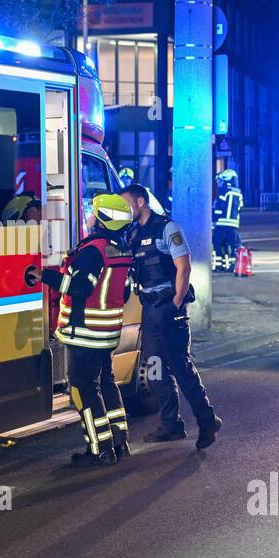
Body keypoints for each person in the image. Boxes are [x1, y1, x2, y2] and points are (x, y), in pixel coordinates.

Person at [121, 184, 222, 450]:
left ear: (141, 202)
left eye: (126, 204)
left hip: (168, 308)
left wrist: (176, 302)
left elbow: (184, 266)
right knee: (154, 367)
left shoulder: (167, 228)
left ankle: (207, 420)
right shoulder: (134, 233)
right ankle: (171, 425)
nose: (124, 210)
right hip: (150, 309)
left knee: (180, 367)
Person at [39, 193, 134, 466]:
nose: (89, 218)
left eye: (93, 213)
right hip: (107, 332)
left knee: (82, 388)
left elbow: (80, 288)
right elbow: (124, 292)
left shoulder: (93, 252)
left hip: (85, 333)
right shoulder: (121, 248)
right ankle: (119, 441)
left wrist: (46, 276)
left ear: (103, 220)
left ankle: (99, 449)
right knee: (106, 383)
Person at [212, 169, 244, 271]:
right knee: (232, 246)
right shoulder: (238, 192)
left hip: (221, 223)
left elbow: (219, 208)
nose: (219, 183)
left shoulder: (223, 191)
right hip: (234, 225)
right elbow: (240, 208)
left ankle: (218, 266)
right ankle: (232, 266)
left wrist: (213, 220)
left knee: (218, 244)